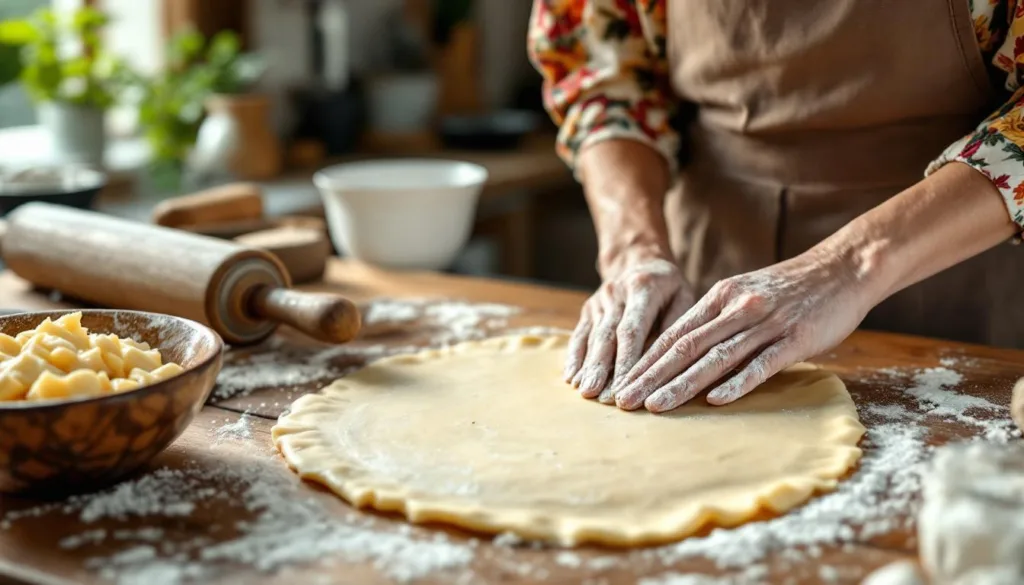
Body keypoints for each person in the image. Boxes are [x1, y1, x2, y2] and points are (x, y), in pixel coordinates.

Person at [527, 0, 1024, 413]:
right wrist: (634, 252)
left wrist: (850, 264)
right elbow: (603, 73)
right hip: (710, 260)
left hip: (959, 255)